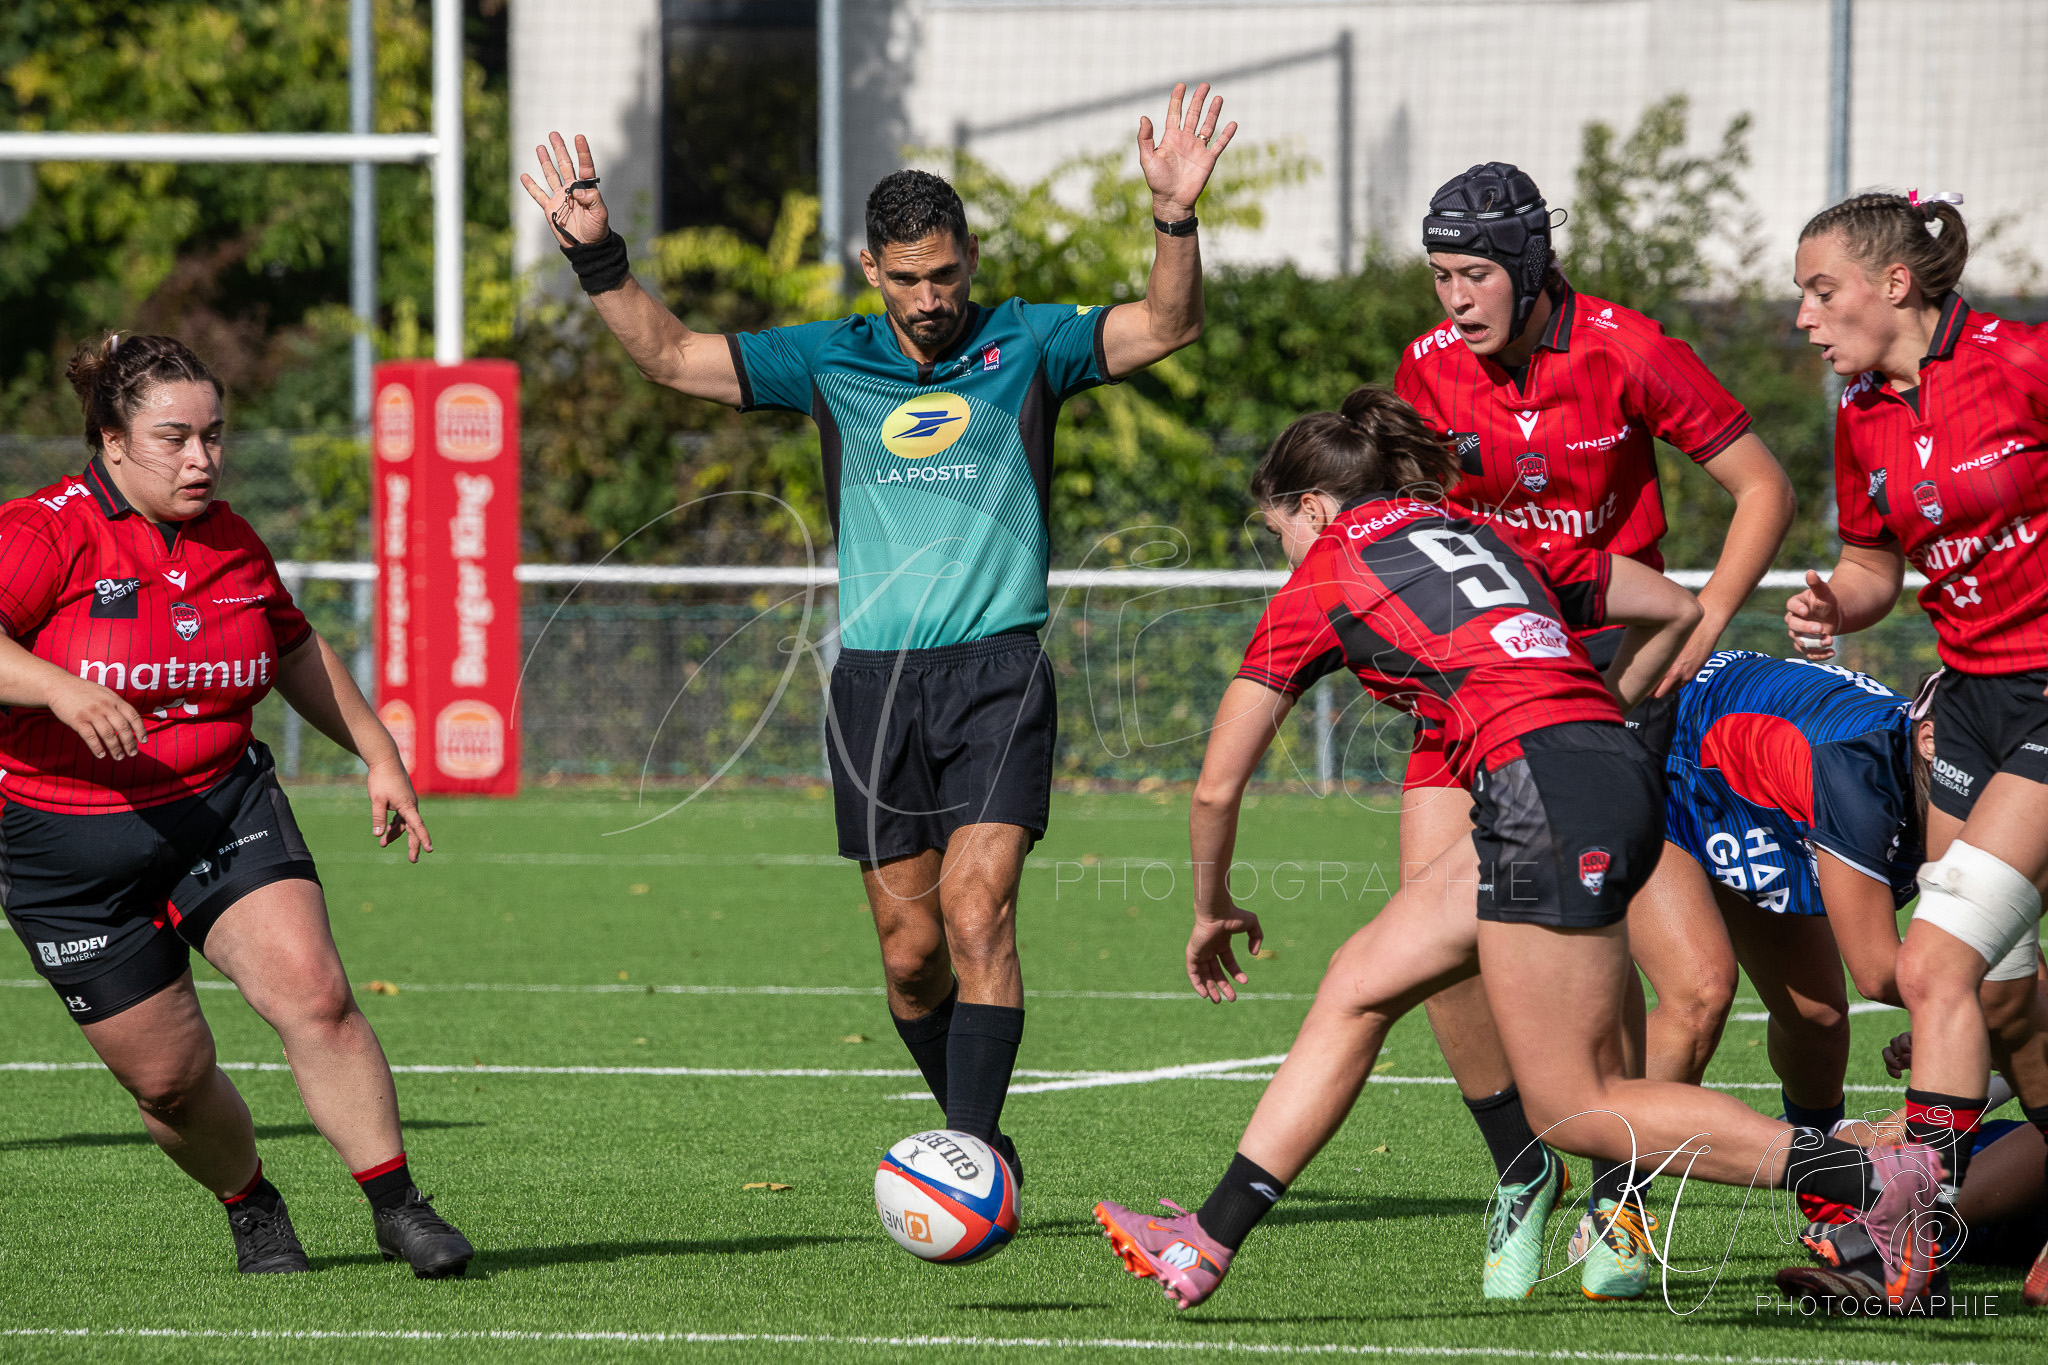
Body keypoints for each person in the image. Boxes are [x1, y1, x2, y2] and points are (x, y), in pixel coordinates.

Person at [1088, 386, 1943, 1312]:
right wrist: (1602, 713)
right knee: (1360, 979)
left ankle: (1872, 1179)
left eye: (1279, 530)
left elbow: (1216, 782)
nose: (1283, 553)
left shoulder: (1330, 565)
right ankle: (1206, 1237)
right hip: (1580, 771)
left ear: (1313, 507)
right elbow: (1672, 605)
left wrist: (1212, 904)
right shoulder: (1484, 531)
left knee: (1575, 1105)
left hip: (1544, 792)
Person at [521, 85, 1236, 1181]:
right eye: (906, 278)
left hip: (997, 675)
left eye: (946, 273)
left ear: (971, 258)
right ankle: (975, 1132)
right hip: (873, 689)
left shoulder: (1029, 343)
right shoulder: (828, 359)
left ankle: (967, 1152)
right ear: (870, 271)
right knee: (910, 962)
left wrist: (1174, 219)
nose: (930, 296)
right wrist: (598, 257)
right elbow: (669, 358)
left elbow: (1168, 325)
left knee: (974, 910)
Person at [1392, 162, 1795, 1300]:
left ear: (1526, 269)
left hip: (1616, 691)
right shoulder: (1425, 367)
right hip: (1478, 688)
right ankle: (1522, 1170)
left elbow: (1759, 486)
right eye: (1438, 276)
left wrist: (1700, 621)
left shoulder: (1625, 346)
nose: (1453, 299)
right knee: (1439, 947)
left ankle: (1617, 1198)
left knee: (1697, 987)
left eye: (1473, 274)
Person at [0, 334, 473, 1277]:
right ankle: (251, 1202)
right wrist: (55, 685)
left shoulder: (231, 538)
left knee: (317, 995)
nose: (202, 460)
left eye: (214, 437)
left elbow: (293, 649)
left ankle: (399, 1205)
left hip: (222, 804)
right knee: (169, 1083)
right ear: (110, 439)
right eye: (175, 438)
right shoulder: (42, 532)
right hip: (64, 846)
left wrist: (380, 753)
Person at [1784, 190, 2048, 1307]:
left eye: (1819, 289)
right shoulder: (1859, 410)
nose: (1803, 315)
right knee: (1995, 1000)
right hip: (1971, 705)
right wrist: (1833, 608)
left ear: (1895, 284)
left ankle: (1909, 1231)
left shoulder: (2024, 361)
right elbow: (1871, 567)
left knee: (1930, 964)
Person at [1638, 653, 1930, 1114]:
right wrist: (1970, 1024)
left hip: (1744, 781)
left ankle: (1816, 1166)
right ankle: (1619, 1183)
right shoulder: (1859, 773)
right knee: (1700, 993)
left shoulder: (1954, 769)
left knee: (1817, 1017)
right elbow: (1877, 972)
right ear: (1930, 739)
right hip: (1656, 753)